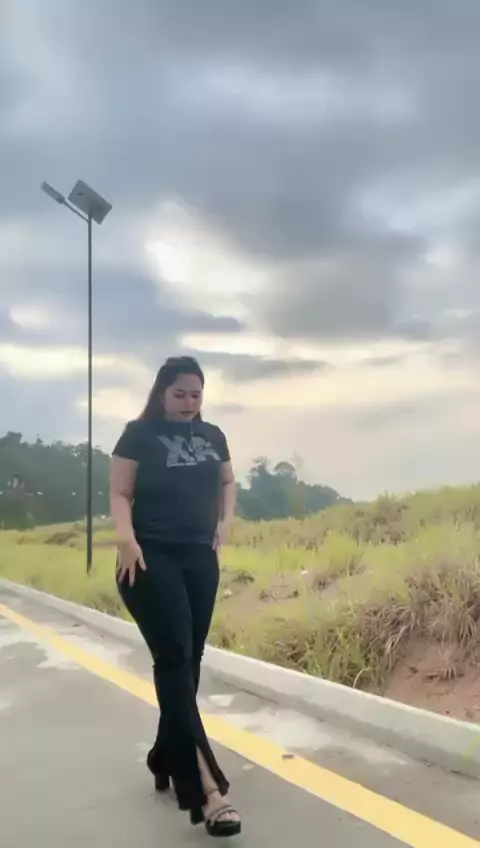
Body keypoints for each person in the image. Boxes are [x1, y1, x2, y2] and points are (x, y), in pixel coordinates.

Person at [109, 356, 241, 837]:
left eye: (196, 394)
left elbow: (227, 481)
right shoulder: (138, 435)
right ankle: (206, 789)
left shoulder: (213, 436)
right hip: (148, 559)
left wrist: (226, 522)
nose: (188, 402)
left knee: (189, 662)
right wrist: (126, 539)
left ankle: (165, 755)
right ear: (162, 393)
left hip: (199, 556)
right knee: (174, 659)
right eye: (180, 393)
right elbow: (120, 493)